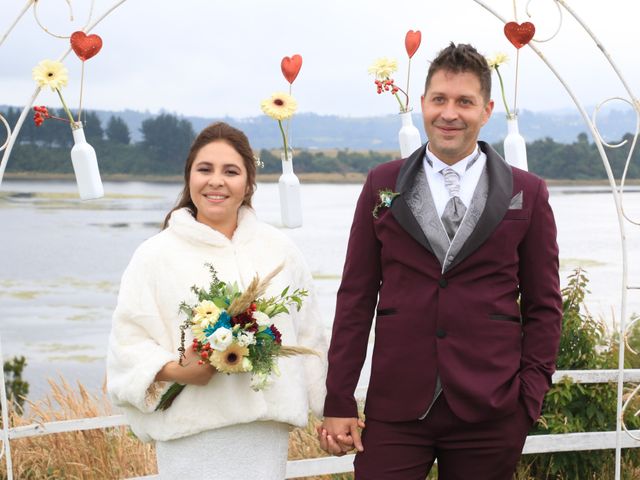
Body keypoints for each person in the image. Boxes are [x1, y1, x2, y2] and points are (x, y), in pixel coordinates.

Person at [318, 43, 562, 479]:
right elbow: (355, 297)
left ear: (486, 110)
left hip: (491, 409)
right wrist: (338, 400)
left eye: (464, 102)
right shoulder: (382, 184)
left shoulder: (528, 192)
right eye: (440, 100)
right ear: (423, 105)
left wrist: (529, 398)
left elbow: (545, 306)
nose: (450, 113)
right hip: (397, 404)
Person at [107, 122, 327, 479]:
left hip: (262, 435)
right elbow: (127, 344)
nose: (216, 181)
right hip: (193, 433)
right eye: (204, 169)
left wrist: (331, 413)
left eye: (231, 171)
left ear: (249, 183)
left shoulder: (280, 250)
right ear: (188, 177)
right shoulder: (154, 255)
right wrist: (180, 371)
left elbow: (311, 336)